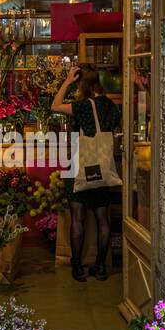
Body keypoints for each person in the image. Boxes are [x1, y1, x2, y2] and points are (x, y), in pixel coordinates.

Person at [50, 64, 120, 282]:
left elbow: (55, 105)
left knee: (78, 218)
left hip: (80, 167)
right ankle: (100, 267)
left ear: (83, 84)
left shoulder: (82, 106)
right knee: (102, 218)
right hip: (103, 166)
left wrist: (67, 81)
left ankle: (77, 267)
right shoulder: (111, 106)